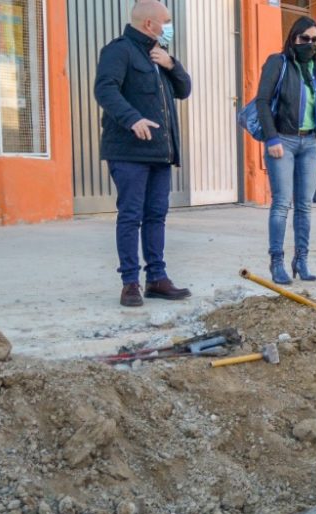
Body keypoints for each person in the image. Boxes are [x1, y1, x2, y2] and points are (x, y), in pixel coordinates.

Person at [95, 0, 192, 307]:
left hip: (159, 153)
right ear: (149, 24)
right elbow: (105, 89)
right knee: (131, 216)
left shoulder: (159, 56)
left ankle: (157, 279)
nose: (169, 26)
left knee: (156, 216)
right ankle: (130, 283)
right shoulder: (119, 50)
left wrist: (171, 64)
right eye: (166, 20)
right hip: (129, 153)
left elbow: (184, 89)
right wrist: (132, 118)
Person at [255, 16, 316, 284]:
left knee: (305, 206)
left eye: (314, 40)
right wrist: (271, 138)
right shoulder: (278, 63)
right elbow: (262, 101)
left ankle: (302, 259)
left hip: (309, 143)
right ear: (293, 38)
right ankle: (277, 262)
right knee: (282, 204)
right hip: (282, 141)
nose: (309, 44)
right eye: (304, 39)